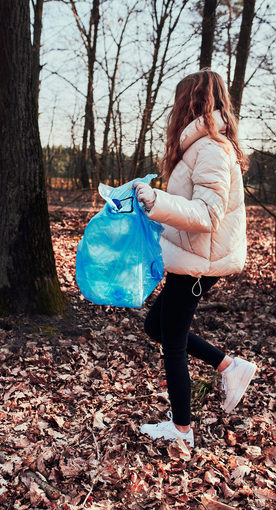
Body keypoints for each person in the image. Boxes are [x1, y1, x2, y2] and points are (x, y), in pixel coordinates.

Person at [133, 69, 256, 448]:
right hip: (191, 257)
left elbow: (207, 214)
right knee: (157, 326)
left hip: (200, 262)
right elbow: (190, 209)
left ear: (191, 101)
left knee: (171, 342)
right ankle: (230, 366)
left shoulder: (212, 149)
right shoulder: (200, 147)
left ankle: (182, 430)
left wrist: (156, 201)